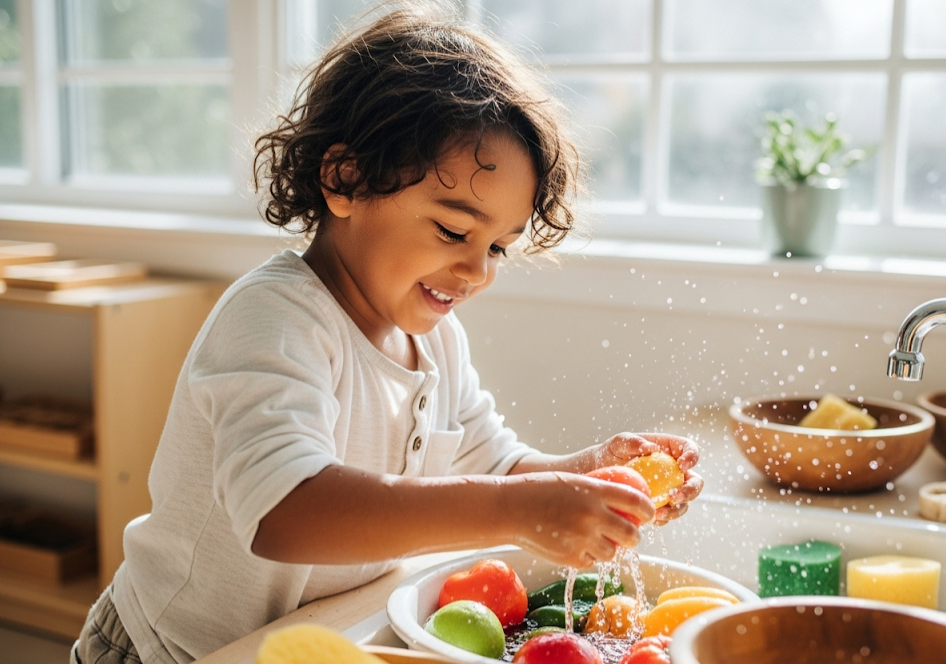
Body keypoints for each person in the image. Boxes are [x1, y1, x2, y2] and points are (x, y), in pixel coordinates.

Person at [71, 4, 703, 663]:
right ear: (345, 179)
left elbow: (495, 464)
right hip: (171, 649)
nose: (476, 271)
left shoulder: (435, 338)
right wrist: (518, 508)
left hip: (320, 637)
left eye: (498, 248)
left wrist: (585, 474)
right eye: (454, 232)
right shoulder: (275, 319)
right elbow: (287, 512)